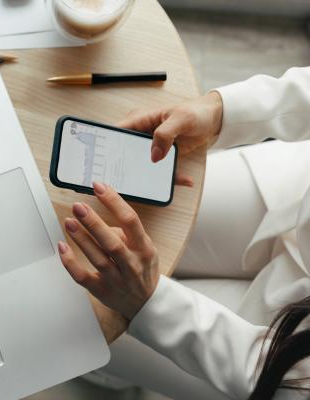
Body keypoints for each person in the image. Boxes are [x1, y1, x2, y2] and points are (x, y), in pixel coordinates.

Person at [57, 66, 310, 399]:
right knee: (140, 214)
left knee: (79, 321)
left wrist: (151, 302)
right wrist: (223, 110)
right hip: (292, 194)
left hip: (274, 351)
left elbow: (281, 381)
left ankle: (113, 368)